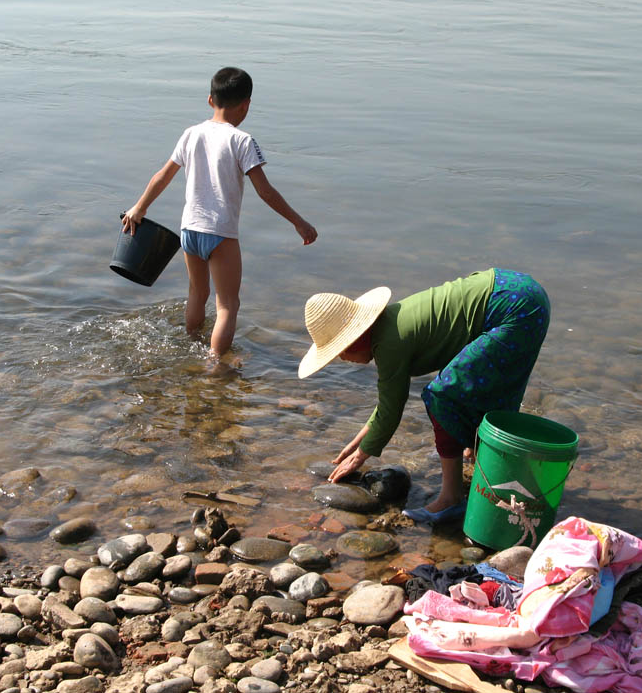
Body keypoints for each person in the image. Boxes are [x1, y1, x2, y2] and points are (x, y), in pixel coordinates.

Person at [297, 268, 550, 524]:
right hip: (515, 290)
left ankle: (450, 499)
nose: (342, 358)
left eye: (339, 351)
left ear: (356, 338)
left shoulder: (388, 345)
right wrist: (357, 444)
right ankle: (478, 454)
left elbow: (391, 408)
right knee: (475, 384)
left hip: (515, 308)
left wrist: (362, 456)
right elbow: (386, 403)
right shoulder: (389, 323)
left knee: (442, 396)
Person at [122, 67, 317, 359]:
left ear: (210, 100)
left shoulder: (191, 133)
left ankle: (193, 345)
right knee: (227, 305)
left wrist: (140, 207)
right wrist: (299, 223)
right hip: (220, 233)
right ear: (246, 105)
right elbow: (265, 191)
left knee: (197, 294)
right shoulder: (242, 141)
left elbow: (163, 175)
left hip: (189, 229)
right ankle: (215, 367)